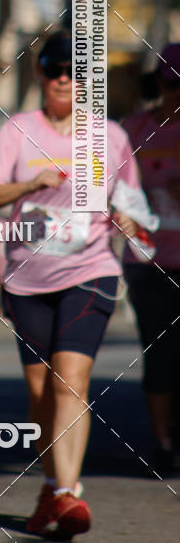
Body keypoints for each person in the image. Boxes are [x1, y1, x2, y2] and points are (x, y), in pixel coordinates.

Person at [0, 29, 144, 540]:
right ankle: (51, 482)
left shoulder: (109, 136)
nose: (63, 81)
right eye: (53, 73)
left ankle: (68, 493)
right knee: (40, 390)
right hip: (28, 277)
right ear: (41, 78)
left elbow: (132, 201)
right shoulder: (18, 130)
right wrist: (29, 183)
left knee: (72, 382)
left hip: (91, 271)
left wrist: (128, 220)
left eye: (73, 74)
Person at [123, 43, 180, 475]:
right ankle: (162, 443)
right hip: (149, 260)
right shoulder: (134, 130)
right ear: (158, 84)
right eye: (170, 84)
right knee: (159, 353)